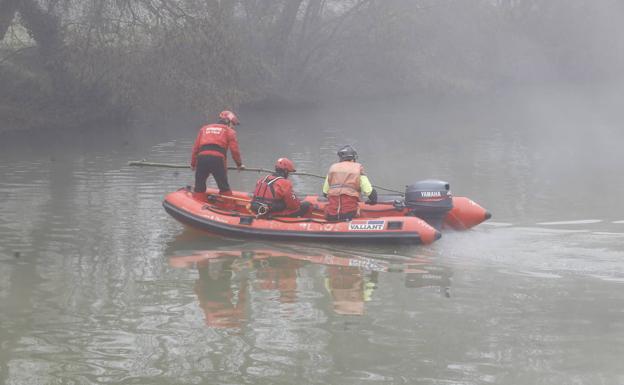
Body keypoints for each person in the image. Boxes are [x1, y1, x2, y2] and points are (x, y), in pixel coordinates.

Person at [190, 110, 246, 200]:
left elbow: (195, 149)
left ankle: (197, 202)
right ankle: (229, 208)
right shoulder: (229, 131)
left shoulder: (204, 129)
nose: (233, 127)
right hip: (218, 159)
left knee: (199, 185)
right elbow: (234, 151)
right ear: (228, 121)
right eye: (233, 124)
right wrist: (239, 165)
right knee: (224, 187)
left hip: (202, 158)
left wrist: (193, 164)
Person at [322, 145, 377, 221]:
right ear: (353, 158)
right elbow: (370, 194)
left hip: (332, 214)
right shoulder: (357, 169)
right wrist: (372, 201)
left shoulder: (333, 169)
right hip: (349, 214)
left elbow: (325, 193)